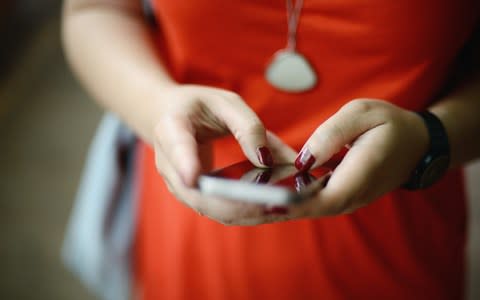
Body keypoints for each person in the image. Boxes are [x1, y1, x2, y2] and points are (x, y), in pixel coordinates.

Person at [62, 0, 480, 299]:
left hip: (395, 246)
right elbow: (95, 9)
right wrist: (154, 104)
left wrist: (431, 137)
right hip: (194, 222)